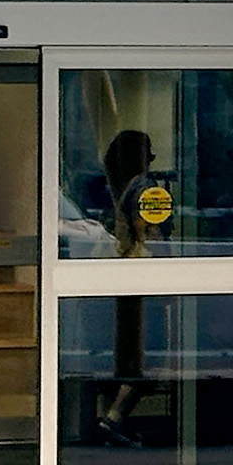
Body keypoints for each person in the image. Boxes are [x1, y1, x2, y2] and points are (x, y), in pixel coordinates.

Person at [98, 128, 164, 444]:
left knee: (128, 352)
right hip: (145, 276)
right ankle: (116, 415)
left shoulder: (120, 188)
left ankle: (112, 414)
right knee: (148, 352)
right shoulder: (145, 190)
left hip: (125, 273)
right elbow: (153, 235)